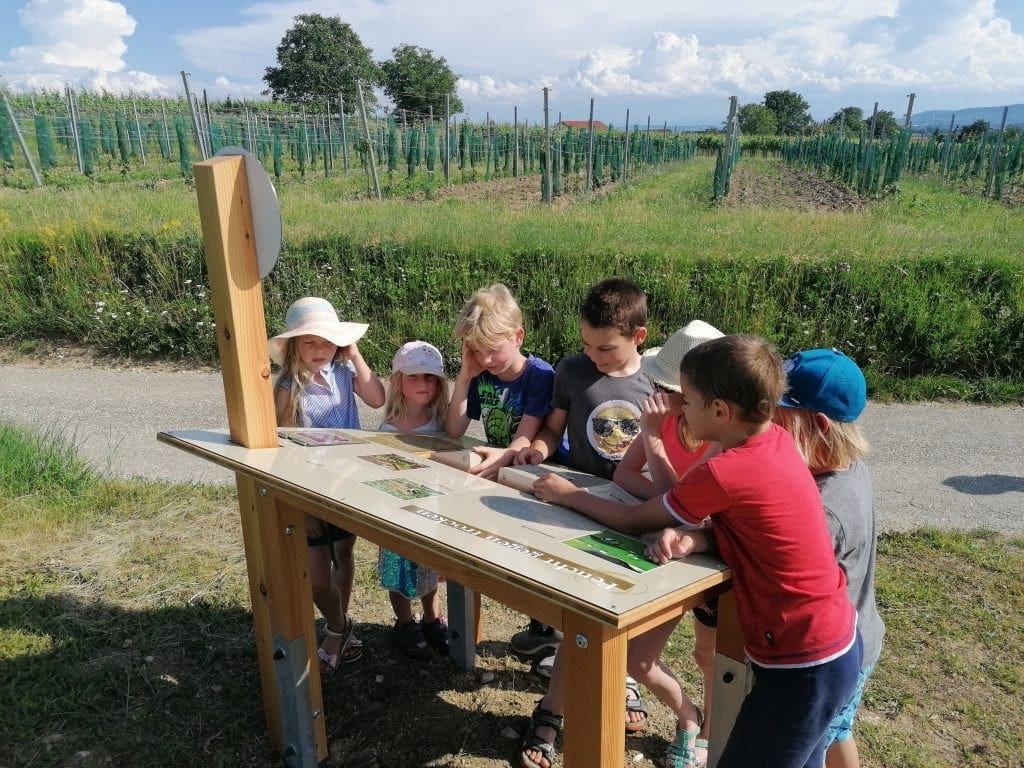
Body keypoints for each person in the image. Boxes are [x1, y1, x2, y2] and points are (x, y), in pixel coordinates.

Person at [530, 334, 862, 768]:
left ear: (720, 411)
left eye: (687, 400)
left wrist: (568, 494)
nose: (679, 408)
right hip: (830, 644)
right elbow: (761, 529)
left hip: (803, 660)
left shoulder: (725, 470)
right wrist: (699, 538)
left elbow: (637, 520)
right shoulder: (777, 443)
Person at [514, 277, 657, 762]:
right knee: (580, 610)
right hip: (574, 500)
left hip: (633, 513)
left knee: (624, 606)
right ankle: (555, 705)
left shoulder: (657, 381)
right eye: (586, 344)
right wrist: (538, 449)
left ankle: (625, 682)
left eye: (606, 348)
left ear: (638, 336)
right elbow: (554, 429)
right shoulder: (573, 371)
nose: (595, 355)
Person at [612, 319, 724, 767]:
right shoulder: (668, 419)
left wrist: (656, 449)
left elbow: (695, 510)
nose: (657, 395)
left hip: (710, 565)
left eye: (668, 387)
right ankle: (688, 715)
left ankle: (711, 735)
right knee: (637, 662)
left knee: (708, 656)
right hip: (667, 554)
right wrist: (668, 503)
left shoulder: (720, 437)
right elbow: (623, 473)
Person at [774, 348, 885, 768]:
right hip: (862, 636)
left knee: (812, 746)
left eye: (779, 417)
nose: (767, 424)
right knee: (838, 729)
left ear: (816, 426)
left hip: (836, 653)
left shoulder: (825, 508)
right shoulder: (845, 467)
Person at [269, 297, 386, 674]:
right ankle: (338, 623)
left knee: (345, 553)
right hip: (311, 488)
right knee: (318, 580)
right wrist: (302, 506)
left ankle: (339, 628)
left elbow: (376, 398)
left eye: (327, 341)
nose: (320, 350)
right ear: (293, 348)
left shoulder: (341, 371)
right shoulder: (288, 387)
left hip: (348, 483)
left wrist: (354, 354)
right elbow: (282, 447)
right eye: (309, 342)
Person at [377, 341, 453, 658]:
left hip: (432, 510)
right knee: (398, 570)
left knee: (431, 570)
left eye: (430, 377)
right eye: (414, 377)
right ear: (397, 381)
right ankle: (405, 623)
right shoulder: (386, 428)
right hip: (398, 513)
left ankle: (432, 619)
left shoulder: (443, 422)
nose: (423, 383)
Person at [445, 283, 555, 480]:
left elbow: (524, 438)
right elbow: (454, 430)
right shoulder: (481, 374)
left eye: (493, 349)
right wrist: (464, 377)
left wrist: (500, 460)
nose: (485, 360)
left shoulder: (539, 374)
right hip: (503, 461)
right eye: (477, 350)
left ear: (518, 337)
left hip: (538, 467)